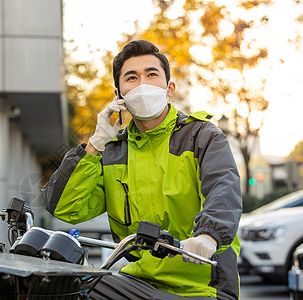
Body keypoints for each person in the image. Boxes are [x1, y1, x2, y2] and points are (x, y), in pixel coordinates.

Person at [41, 40, 242, 300]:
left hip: (201, 287)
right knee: (66, 288)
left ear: (169, 88)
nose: (143, 84)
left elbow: (223, 188)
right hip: (137, 281)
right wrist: (95, 143)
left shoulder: (201, 136)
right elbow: (64, 207)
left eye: (152, 74)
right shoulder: (112, 151)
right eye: (132, 78)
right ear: (119, 95)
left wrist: (208, 236)